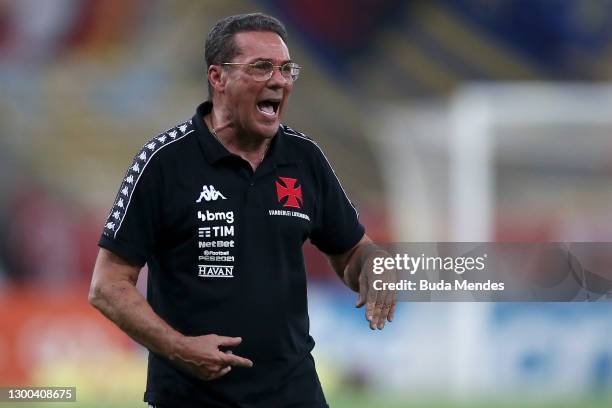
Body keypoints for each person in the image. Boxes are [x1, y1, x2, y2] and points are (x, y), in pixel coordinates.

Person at [89, 12, 396, 408]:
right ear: (218, 78)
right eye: (262, 67)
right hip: (192, 399)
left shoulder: (304, 159)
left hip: (294, 395)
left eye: (287, 69)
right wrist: (180, 347)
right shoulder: (164, 162)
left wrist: (376, 265)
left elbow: (353, 251)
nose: (279, 80)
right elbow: (108, 286)